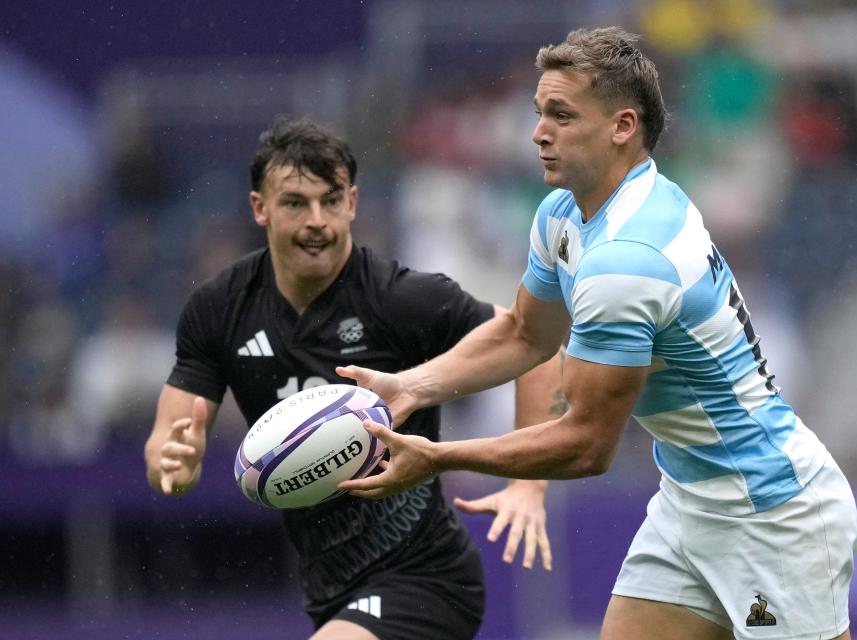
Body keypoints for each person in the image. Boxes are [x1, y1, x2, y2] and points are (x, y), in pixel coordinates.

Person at [337, 27, 857, 640]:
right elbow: (524, 335)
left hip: (773, 515)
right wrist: (412, 387)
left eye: (561, 115)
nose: (537, 132)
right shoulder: (565, 211)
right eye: (538, 113)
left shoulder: (629, 259)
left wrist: (440, 459)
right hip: (690, 501)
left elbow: (587, 445)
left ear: (622, 126)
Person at [143, 117, 562, 640]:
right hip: (330, 589)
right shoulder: (218, 308)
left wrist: (528, 485)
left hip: (427, 577)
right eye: (296, 202)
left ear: (353, 203)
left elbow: (538, 348)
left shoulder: (402, 298)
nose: (317, 220)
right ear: (260, 208)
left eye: (332, 200)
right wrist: (172, 466)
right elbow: (170, 446)